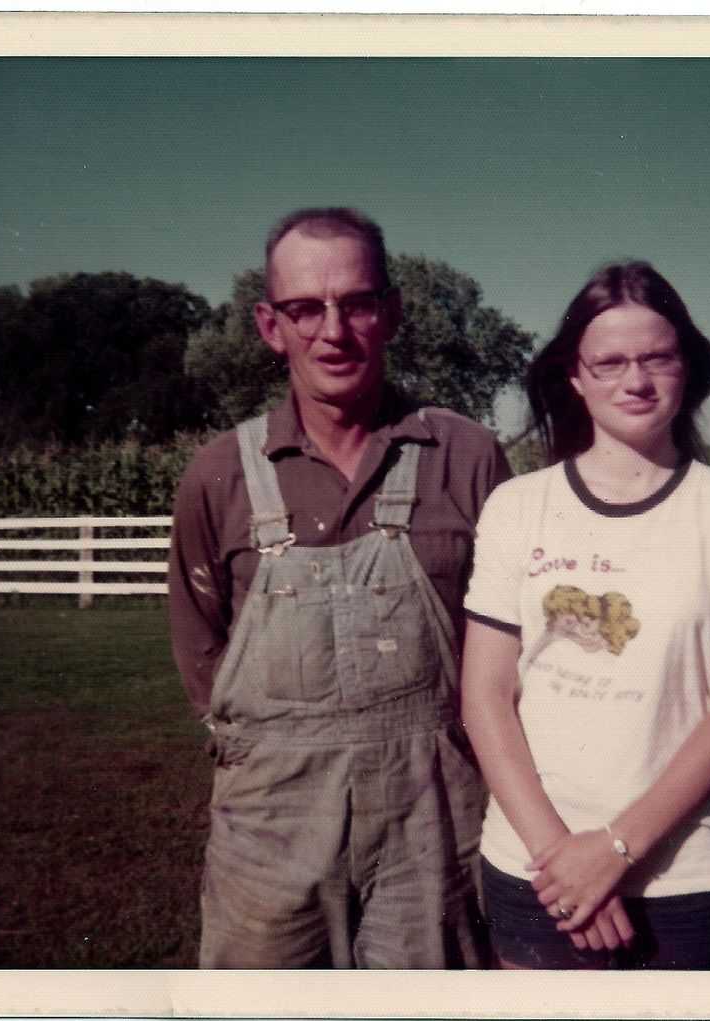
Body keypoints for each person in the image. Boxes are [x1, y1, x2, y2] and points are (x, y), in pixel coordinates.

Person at [168, 207, 511, 968]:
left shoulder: (467, 455)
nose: (333, 331)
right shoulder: (219, 474)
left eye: (356, 303)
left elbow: (512, 652)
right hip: (271, 823)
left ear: (390, 312)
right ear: (268, 324)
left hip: (434, 814)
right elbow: (203, 655)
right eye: (304, 309)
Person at [461, 260, 710, 969]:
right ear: (574, 376)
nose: (634, 381)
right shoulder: (519, 507)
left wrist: (613, 851)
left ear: (688, 367)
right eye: (608, 362)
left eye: (656, 357)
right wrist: (563, 862)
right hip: (533, 867)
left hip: (686, 871)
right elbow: (485, 695)